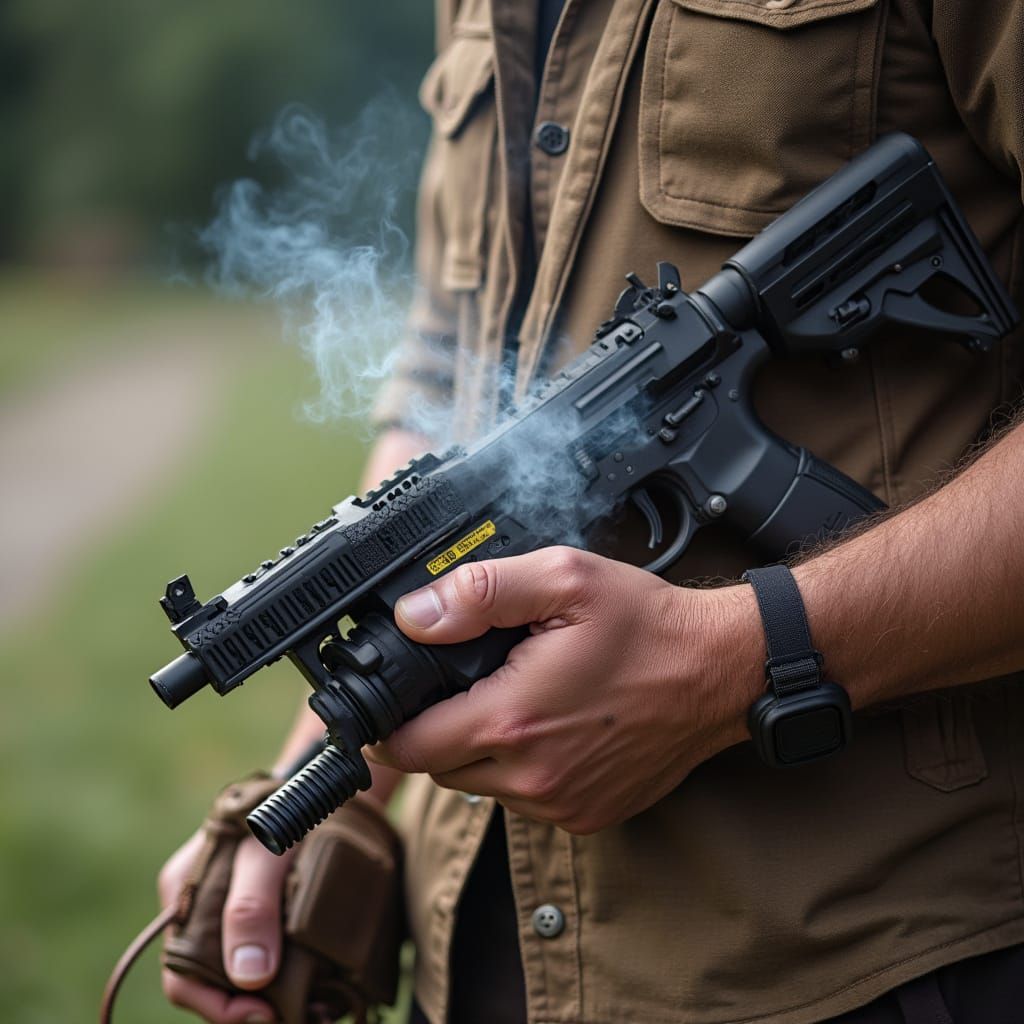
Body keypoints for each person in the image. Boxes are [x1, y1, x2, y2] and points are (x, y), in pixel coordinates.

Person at [159, 1, 1024, 1022]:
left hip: (868, 944)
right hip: (489, 949)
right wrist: (302, 803)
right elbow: (453, 361)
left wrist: (733, 659)